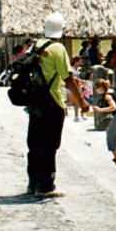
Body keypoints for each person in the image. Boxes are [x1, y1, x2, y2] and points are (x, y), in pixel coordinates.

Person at [26, 12, 83, 197]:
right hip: (52, 101)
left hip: (35, 100)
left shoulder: (36, 45)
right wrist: (81, 100)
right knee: (50, 145)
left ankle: (33, 181)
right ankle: (46, 185)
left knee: (35, 143)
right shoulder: (58, 48)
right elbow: (67, 78)